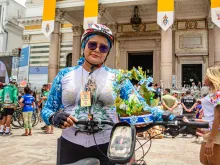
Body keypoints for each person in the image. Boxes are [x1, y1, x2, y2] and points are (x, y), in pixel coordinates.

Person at [41, 24, 176, 165]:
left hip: (107, 146)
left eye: (103, 47)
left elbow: (140, 105)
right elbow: (47, 109)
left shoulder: (118, 78)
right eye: (92, 45)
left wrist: (169, 116)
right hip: (70, 146)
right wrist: (53, 117)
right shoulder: (64, 75)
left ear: (108, 52)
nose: (97, 50)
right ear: (83, 46)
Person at [200, 65, 220, 165]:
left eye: (206, 75)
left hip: (216, 133)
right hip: (211, 132)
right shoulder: (214, 93)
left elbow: (218, 116)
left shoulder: (218, 93)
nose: (205, 78)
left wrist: (211, 139)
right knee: (204, 160)